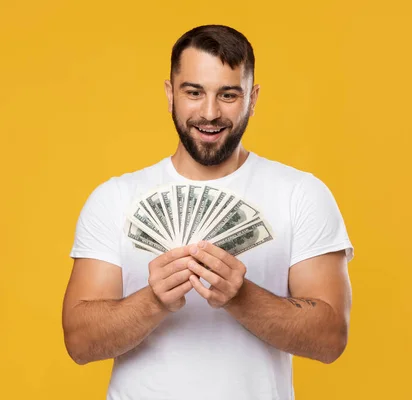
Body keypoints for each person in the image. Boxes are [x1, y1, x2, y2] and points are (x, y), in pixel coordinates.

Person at [62, 24, 354, 400]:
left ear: (253, 98)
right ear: (170, 94)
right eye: (194, 93)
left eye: (228, 94)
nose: (210, 113)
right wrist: (154, 300)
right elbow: (79, 343)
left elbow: (330, 339)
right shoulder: (114, 198)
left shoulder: (301, 194)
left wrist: (241, 296)